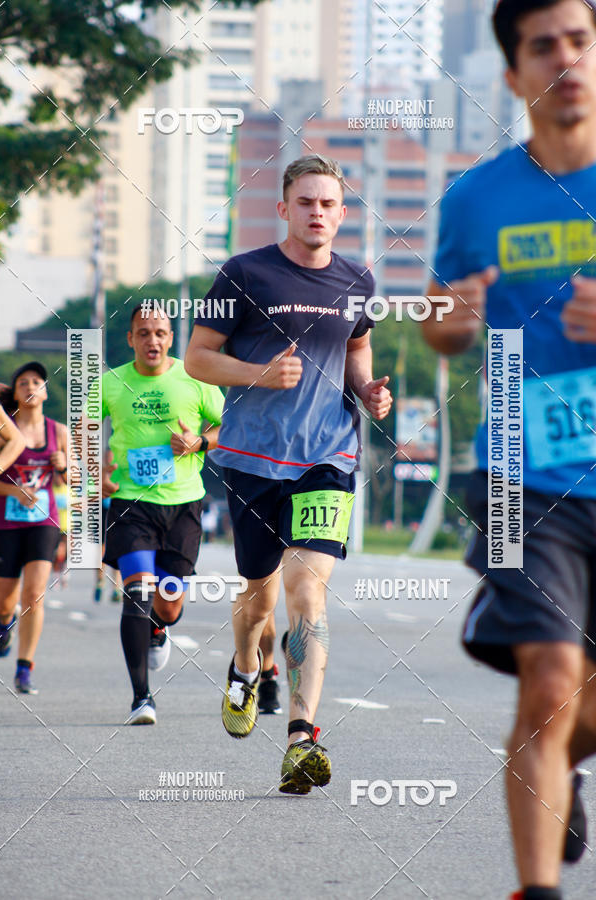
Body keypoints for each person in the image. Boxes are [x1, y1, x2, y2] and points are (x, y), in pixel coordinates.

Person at [421, 2, 596, 897]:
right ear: (514, 74)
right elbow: (443, 319)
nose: (564, 58)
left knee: (575, 704)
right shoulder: (474, 198)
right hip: (520, 472)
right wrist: (449, 324)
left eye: (579, 40)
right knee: (553, 674)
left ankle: (561, 767)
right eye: (543, 47)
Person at [185, 154, 392, 793]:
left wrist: (371, 392)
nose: (317, 213)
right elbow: (196, 359)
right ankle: (246, 665)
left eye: (328, 204)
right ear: (284, 208)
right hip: (252, 460)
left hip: (329, 457)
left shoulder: (358, 281)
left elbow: (358, 351)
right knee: (259, 597)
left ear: (342, 213)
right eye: (306, 202)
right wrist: (259, 375)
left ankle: (302, 734)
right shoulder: (244, 274)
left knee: (309, 591)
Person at [96, 304, 224, 725]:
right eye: (143, 333)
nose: (153, 340)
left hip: (184, 504)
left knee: (167, 604)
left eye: (161, 333)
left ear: (171, 338)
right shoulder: (110, 384)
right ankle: (141, 698)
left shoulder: (195, 378)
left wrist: (199, 443)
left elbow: (231, 427)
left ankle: (159, 627)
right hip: (132, 505)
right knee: (136, 592)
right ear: (131, 339)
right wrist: (95, 471)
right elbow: (79, 433)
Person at [0, 362, 67, 693]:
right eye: (22, 382)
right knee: (3, 600)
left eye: (36, 381)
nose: (29, 386)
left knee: (34, 594)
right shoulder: (3, 429)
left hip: (44, 522)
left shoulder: (59, 432)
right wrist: (13, 491)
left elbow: (74, 480)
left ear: (45, 391)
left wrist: (64, 465)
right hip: (5, 522)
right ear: (16, 392)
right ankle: (3, 621)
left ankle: (24, 668)